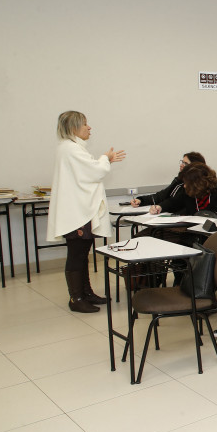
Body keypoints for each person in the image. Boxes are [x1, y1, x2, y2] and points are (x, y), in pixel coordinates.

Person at [47, 111, 126, 313]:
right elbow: (96, 171)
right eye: (84, 124)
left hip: (81, 211)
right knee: (77, 254)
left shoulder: (72, 149)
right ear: (73, 128)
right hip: (76, 213)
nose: (89, 127)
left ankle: (86, 292)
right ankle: (76, 298)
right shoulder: (71, 149)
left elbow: (90, 171)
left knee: (83, 253)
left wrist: (105, 160)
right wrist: (105, 158)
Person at [151, 163, 217, 220]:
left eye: (186, 183)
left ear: (197, 183)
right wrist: (160, 207)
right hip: (195, 236)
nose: (184, 186)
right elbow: (173, 203)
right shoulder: (188, 193)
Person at [130, 151, 205, 207]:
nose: (181, 165)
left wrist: (161, 207)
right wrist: (141, 200)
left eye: (185, 163)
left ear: (194, 166)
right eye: (182, 162)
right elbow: (161, 196)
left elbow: (176, 203)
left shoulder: (197, 185)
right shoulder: (178, 180)